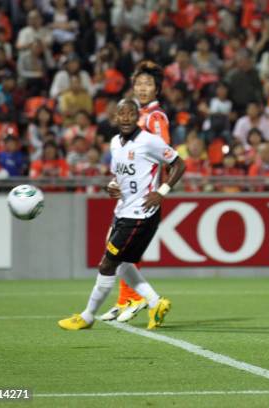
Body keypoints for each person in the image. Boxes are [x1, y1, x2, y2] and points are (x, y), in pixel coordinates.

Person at [58, 99, 185, 330]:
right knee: (124, 263)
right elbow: (121, 176)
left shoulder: (149, 141)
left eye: (130, 113)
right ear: (115, 118)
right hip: (122, 211)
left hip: (140, 215)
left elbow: (179, 163)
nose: (126, 117)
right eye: (121, 113)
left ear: (137, 117)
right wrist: (112, 186)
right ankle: (156, 302)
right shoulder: (115, 142)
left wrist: (162, 191)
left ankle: (87, 317)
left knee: (107, 264)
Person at [101, 61, 172, 323]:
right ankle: (125, 300)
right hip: (130, 191)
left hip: (145, 193)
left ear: (157, 90)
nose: (142, 88)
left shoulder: (155, 117)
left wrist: (160, 188)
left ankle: (135, 298)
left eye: (148, 84)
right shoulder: (136, 115)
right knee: (119, 249)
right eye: (139, 84)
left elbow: (164, 152)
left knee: (121, 249)